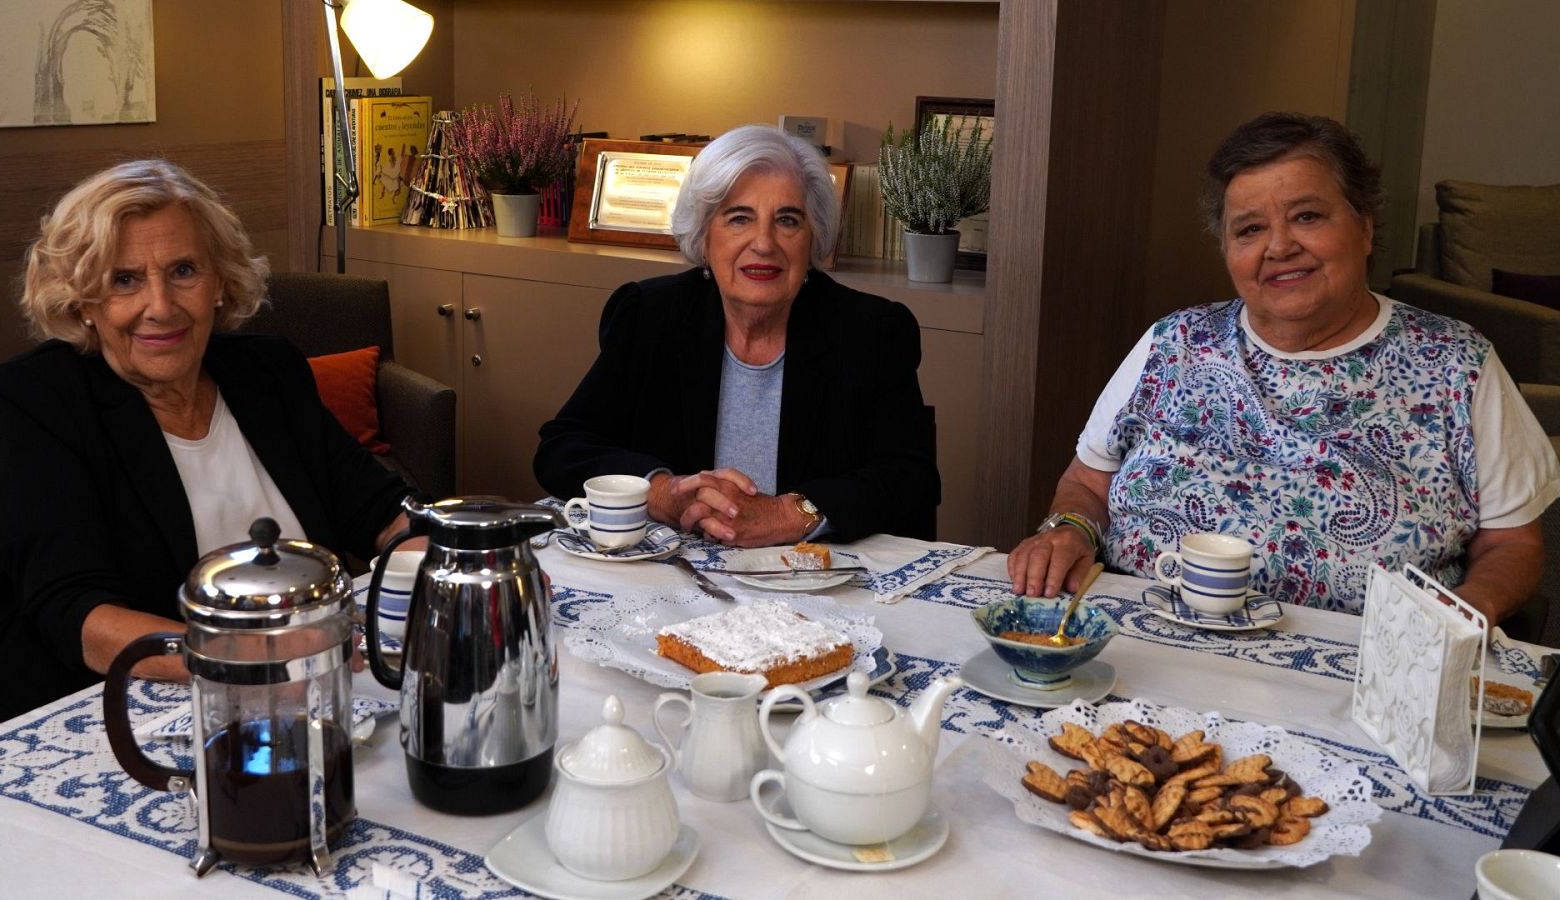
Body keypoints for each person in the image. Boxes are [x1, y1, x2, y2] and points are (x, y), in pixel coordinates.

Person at [1008, 112, 1558, 621]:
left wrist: (1456, 618)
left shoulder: (1455, 364)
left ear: (1364, 228)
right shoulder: (1172, 342)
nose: (1279, 246)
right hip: (1135, 641)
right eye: (1249, 229)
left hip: (1352, 669)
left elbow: (1512, 543)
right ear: (1227, 250)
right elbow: (1087, 482)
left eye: (1308, 216)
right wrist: (1069, 529)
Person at [0, 160, 412, 730]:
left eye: (183, 270)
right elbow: (77, 616)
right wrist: (258, 654)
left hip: (309, 702)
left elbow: (376, 508)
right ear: (82, 299)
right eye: (123, 280)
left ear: (220, 280)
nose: (160, 305)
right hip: (116, 714)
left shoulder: (267, 371)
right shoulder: (37, 399)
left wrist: (458, 561)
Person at [534, 125, 940, 546]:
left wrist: (790, 513)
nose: (763, 243)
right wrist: (661, 492)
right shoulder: (650, 316)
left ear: (813, 237)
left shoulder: (871, 331)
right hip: (671, 579)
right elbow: (563, 447)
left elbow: (911, 479)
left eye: (787, 220)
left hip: (816, 585)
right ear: (704, 235)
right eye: (739, 218)